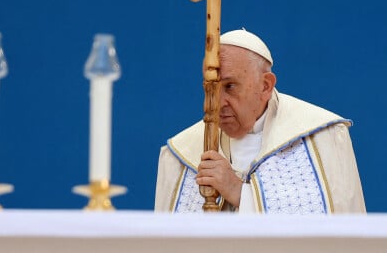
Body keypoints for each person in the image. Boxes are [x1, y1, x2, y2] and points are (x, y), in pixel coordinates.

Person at [154, 29, 366, 213]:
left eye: (230, 87)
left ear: (265, 86)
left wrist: (239, 193)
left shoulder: (321, 137)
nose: (216, 104)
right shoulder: (182, 152)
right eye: (210, 88)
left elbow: (329, 233)